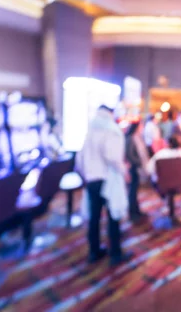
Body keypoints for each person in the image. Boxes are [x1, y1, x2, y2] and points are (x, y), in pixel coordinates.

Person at [76, 105, 132, 265]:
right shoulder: (111, 129)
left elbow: (80, 157)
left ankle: (94, 251)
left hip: (92, 180)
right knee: (113, 216)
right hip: (108, 179)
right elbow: (112, 156)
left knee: (94, 217)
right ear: (111, 113)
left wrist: (85, 175)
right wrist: (124, 171)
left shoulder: (91, 129)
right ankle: (115, 253)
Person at [125, 120, 151, 223]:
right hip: (133, 168)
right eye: (141, 126)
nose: (142, 128)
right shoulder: (130, 138)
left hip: (137, 167)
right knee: (132, 191)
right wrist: (138, 162)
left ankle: (136, 210)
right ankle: (132, 213)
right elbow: (130, 155)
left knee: (135, 191)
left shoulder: (138, 137)